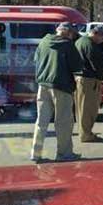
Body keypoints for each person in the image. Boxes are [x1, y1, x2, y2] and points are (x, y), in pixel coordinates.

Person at [30, 22, 83, 162]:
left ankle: (35, 153)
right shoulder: (67, 45)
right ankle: (64, 154)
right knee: (63, 122)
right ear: (68, 33)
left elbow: (36, 60)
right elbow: (77, 66)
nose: (73, 37)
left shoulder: (44, 41)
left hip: (42, 85)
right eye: (73, 34)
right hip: (62, 86)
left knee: (41, 121)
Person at [75, 25, 103, 143]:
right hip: (88, 80)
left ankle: (85, 132)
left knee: (82, 109)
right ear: (97, 34)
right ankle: (86, 134)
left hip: (82, 78)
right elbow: (95, 63)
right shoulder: (89, 44)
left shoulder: (81, 41)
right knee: (88, 109)